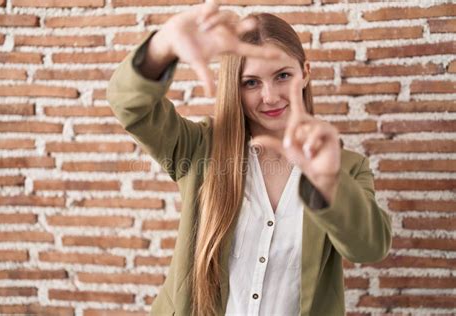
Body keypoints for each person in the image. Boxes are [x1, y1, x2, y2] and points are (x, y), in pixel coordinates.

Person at [107, 2, 392, 315]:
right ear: (236, 87)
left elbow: (369, 248)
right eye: (252, 82)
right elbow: (131, 108)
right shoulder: (199, 148)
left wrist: (328, 181)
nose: (269, 96)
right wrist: (161, 46)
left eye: (282, 75)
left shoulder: (347, 167)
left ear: (305, 73)